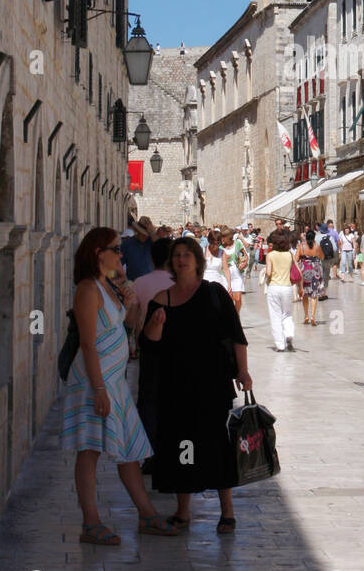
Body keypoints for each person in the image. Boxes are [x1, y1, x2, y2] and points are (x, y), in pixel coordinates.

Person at [62, 228, 178, 544]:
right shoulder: (87, 289)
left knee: (130, 449)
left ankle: (147, 515)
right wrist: (99, 390)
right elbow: (88, 344)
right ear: (99, 253)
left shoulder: (108, 286)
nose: (121, 254)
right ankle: (91, 523)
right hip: (93, 383)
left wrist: (130, 303)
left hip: (115, 382)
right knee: (89, 451)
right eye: (116, 248)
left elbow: (125, 325)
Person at [141, 237, 252, 534]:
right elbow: (149, 347)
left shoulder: (214, 293)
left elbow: (237, 336)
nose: (181, 259)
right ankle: (183, 510)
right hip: (175, 386)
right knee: (181, 446)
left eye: (186, 254)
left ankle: (227, 511)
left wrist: (243, 371)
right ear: (171, 262)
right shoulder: (161, 299)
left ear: (197, 260)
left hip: (212, 385)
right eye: (176, 255)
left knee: (216, 445)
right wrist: (156, 326)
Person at [132, 237, 174, 334]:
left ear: (151, 257)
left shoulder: (139, 282)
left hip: (148, 337)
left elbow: (132, 319)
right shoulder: (181, 283)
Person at [264, 229, 296, 351]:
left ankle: (280, 344)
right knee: (287, 313)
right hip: (286, 287)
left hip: (274, 287)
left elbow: (268, 273)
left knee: (275, 315)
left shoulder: (271, 255)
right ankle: (289, 334)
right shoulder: (289, 255)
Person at [295, 228, 326, 324]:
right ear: (314, 237)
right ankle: (312, 316)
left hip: (304, 269)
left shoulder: (301, 246)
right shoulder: (317, 246)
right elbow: (322, 257)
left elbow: (296, 258)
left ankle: (306, 316)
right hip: (315, 270)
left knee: (305, 294)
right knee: (314, 294)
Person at [120, 216, 155, 282]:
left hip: (151, 284)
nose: (144, 236)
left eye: (146, 234)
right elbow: (118, 263)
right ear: (137, 231)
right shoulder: (127, 244)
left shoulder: (152, 242)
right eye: (141, 233)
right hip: (133, 284)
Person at [222, 227, 248, 314]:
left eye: (223, 237)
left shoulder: (237, 244)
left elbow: (244, 257)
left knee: (238, 298)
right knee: (228, 298)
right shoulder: (221, 247)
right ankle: (230, 316)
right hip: (225, 276)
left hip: (237, 274)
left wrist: (243, 263)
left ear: (228, 237)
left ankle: (236, 316)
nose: (222, 239)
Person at [315, 222, 335, 297]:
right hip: (327, 259)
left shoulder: (316, 237)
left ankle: (319, 291)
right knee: (326, 275)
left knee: (319, 275)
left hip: (318, 259)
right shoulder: (330, 237)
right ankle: (324, 293)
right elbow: (335, 248)